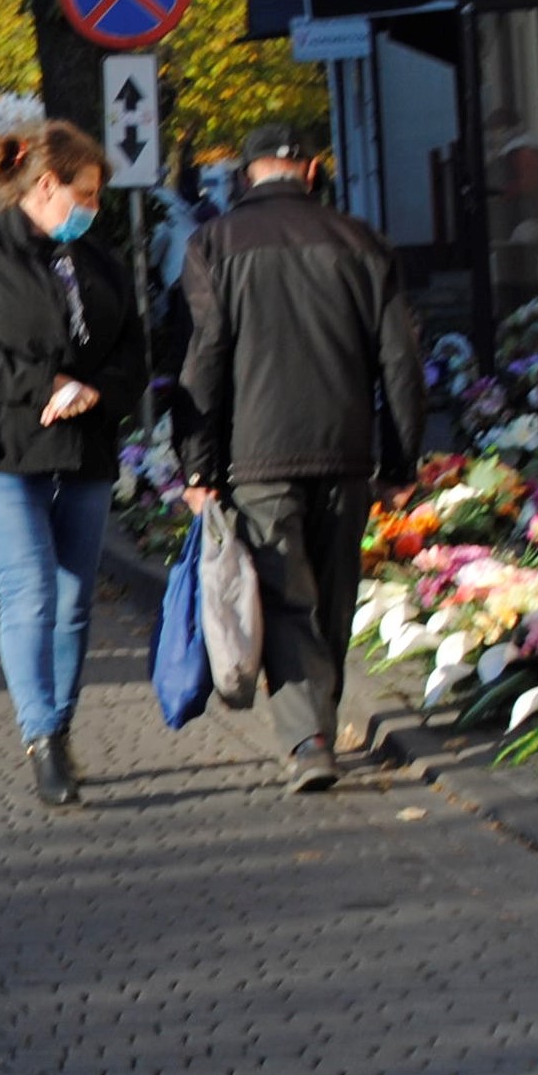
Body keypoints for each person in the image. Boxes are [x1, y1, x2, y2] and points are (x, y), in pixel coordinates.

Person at [177, 121, 426, 793]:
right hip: (343, 448)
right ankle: (316, 721)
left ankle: (309, 738)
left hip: (255, 453)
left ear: (245, 172)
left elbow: (205, 358)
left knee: (289, 596)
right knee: (333, 593)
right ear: (312, 171)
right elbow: (399, 359)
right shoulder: (361, 241)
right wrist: (401, 459)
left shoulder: (213, 243)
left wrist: (196, 463)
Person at [0, 124, 146, 808]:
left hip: (84, 446)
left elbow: (137, 346)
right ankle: (41, 737)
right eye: (85, 193)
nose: (92, 207)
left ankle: (60, 726)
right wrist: (46, 384)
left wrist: (96, 388)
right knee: (31, 590)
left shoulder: (96, 256)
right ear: (45, 186)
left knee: (75, 599)